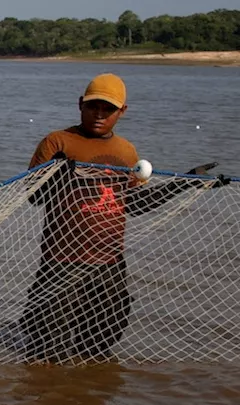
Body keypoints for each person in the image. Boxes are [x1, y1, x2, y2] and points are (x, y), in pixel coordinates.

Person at [17, 73, 229, 363]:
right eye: (93, 107)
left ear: (122, 111)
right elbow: (34, 197)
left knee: (100, 346)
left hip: (110, 263)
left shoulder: (125, 151)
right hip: (62, 259)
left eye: (108, 109)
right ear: (80, 105)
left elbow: (136, 203)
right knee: (48, 348)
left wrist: (186, 181)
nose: (99, 115)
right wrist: (56, 178)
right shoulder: (58, 142)